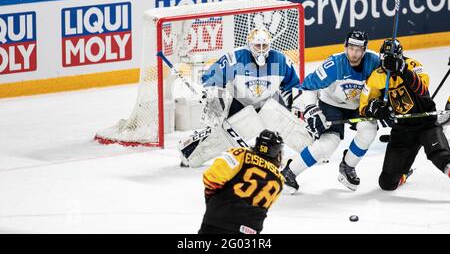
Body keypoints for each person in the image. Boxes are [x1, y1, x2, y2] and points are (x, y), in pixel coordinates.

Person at [180, 28, 313, 168]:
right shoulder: (234, 58)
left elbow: (293, 86)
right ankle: (192, 153)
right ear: (249, 45)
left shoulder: (281, 60)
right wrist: (212, 94)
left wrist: (296, 109)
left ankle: (314, 151)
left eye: (264, 46)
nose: (261, 50)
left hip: (267, 105)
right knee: (222, 132)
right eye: (257, 46)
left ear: (270, 45)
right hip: (239, 105)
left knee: (289, 125)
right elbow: (212, 77)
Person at [281, 30, 380, 193]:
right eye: (351, 48)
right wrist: (311, 110)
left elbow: (385, 83)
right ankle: (289, 173)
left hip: (359, 105)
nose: (354, 54)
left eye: (359, 49)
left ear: (365, 50)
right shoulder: (334, 65)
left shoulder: (374, 62)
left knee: (369, 130)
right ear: (345, 47)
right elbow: (307, 86)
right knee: (328, 144)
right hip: (331, 104)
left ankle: (348, 167)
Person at [360, 39, 450, 190]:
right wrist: (374, 109)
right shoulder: (376, 77)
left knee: (442, 158)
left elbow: (423, 90)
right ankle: (405, 173)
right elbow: (363, 107)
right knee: (387, 183)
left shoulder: (413, 65)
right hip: (402, 130)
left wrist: (403, 70)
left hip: (426, 124)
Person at [198, 129, 284, 234]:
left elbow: (211, 177)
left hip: (218, 220)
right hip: (250, 229)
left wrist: (213, 202)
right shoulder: (280, 180)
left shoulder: (240, 154)